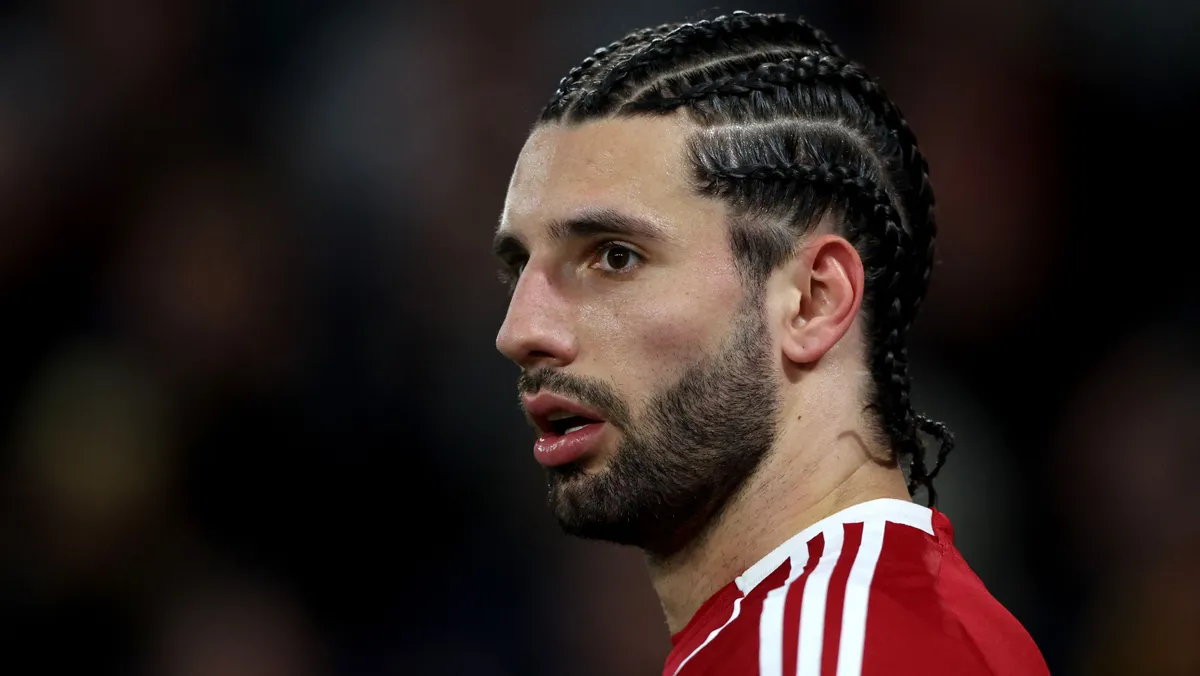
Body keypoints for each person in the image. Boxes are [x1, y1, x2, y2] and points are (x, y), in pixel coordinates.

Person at [491, 11, 1049, 676]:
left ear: (814, 300)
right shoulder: (831, 630)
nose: (519, 332)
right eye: (518, 268)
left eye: (616, 256)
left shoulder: (835, 650)